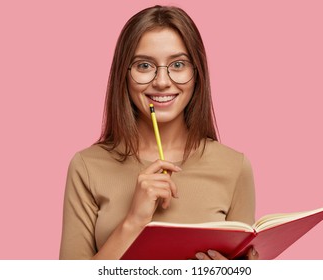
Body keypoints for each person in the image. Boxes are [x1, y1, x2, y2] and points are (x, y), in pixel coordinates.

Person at [59, 5, 258, 260]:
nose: (162, 81)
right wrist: (134, 222)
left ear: (197, 74)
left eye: (178, 64)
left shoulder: (234, 167)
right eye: (144, 65)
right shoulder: (86, 166)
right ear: (124, 74)